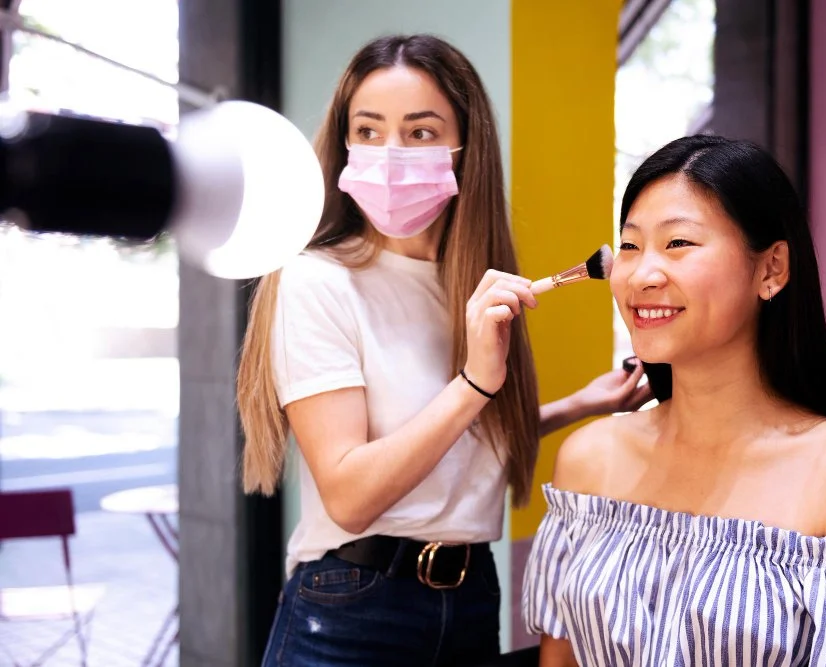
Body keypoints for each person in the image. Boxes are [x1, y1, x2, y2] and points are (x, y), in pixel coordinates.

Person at [235, 34, 651, 666]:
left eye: (420, 132)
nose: (389, 154)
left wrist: (574, 406)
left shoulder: (469, 282)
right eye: (368, 132)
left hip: (472, 598)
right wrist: (475, 384)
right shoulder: (316, 279)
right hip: (353, 610)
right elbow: (349, 496)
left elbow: (446, 451)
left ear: (465, 149)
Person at [523, 135, 826, 666]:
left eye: (678, 243)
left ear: (771, 269)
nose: (642, 274)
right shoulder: (589, 459)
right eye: (630, 247)